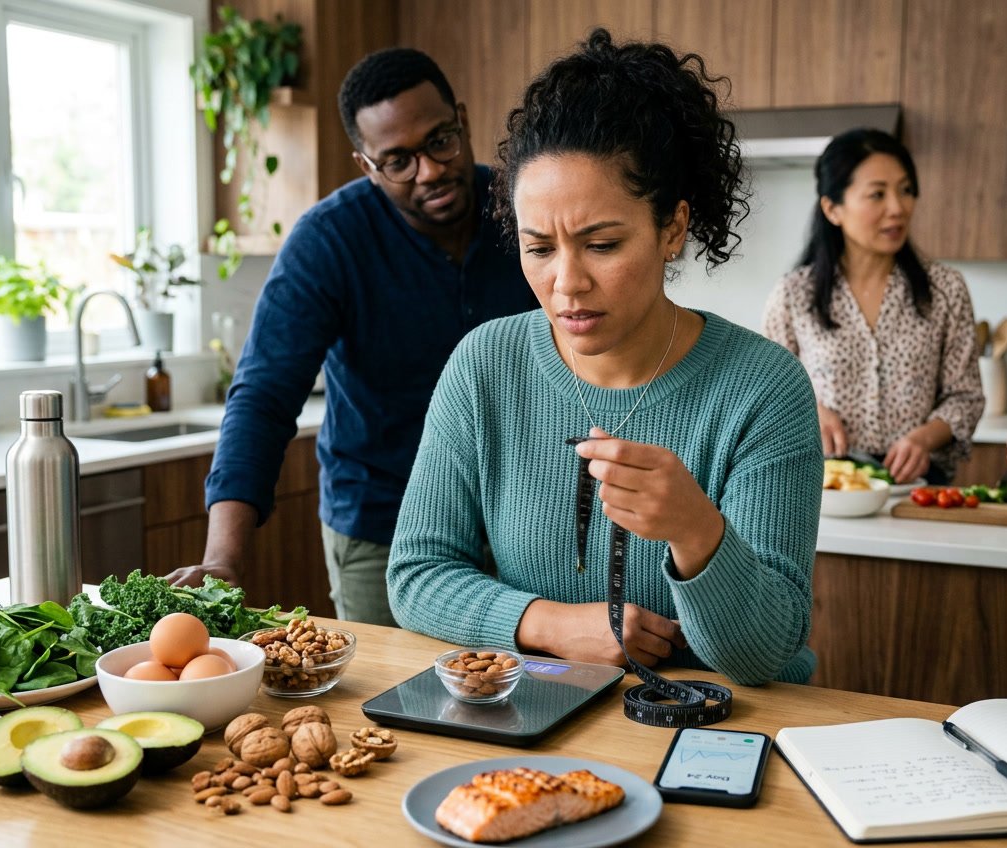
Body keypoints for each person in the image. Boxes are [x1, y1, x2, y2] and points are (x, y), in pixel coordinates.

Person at [387, 29, 822, 686]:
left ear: (671, 229)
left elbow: (765, 655)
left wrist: (696, 531)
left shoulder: (762, 387)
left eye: (602, 244)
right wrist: (548, 623)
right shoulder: (485, 366)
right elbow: (417, 577)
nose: (567, 282)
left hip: (720, 738)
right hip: (543, 728)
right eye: (539, 248)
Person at [165, 48, 537, 622]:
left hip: (526, 522)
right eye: (398, 161)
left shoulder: (523, 210)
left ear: (462, 120)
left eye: (441, 140)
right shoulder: (328, 242)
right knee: (394, 702)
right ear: (366, 165)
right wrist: (222, 560)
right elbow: (264, 397)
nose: (431, 170)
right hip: (381, 528)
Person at [762, 129, 984, 485]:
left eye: (906, 190)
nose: (898, 208)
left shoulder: (945, 289)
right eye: (877, 194)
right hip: (824, 487)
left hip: (915, 488)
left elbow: (966, 397)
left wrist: (922, 440)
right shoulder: (794, 295)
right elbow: (768, 395)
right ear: (833, 209)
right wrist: (812, 413)